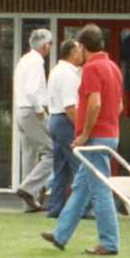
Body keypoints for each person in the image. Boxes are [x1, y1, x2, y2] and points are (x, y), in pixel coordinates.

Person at [41, 23, 122, 256]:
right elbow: (118, 105)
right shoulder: (113, 67)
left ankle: (109, 243)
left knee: (100, 189)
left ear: (83, 46)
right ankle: (61, 234)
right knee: (81, 187)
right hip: (109, 133)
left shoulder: (92, 69)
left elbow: (94, 102)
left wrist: (85, 134)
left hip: (96, 137)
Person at [13, 28, 54, 212]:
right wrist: (39, 110)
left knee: (29, 155)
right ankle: (28, 189)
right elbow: (31, 89)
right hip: (31, 111)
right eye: (50, 44)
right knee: (54, 151)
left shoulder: (24, 60)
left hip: (21, 111)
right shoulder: (37, 61)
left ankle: (29, 204)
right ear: (45, 45)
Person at [44, 39, 85, 218]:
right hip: (66, 121)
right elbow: (70, 106)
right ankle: (82, 209)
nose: (82, 53)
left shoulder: (56, 70)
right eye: (79, 50)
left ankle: (55, 207)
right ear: (72, 53)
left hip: (55, 119)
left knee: (61, 168)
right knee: (80, 167)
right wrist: (82, 129)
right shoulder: (68, 74)